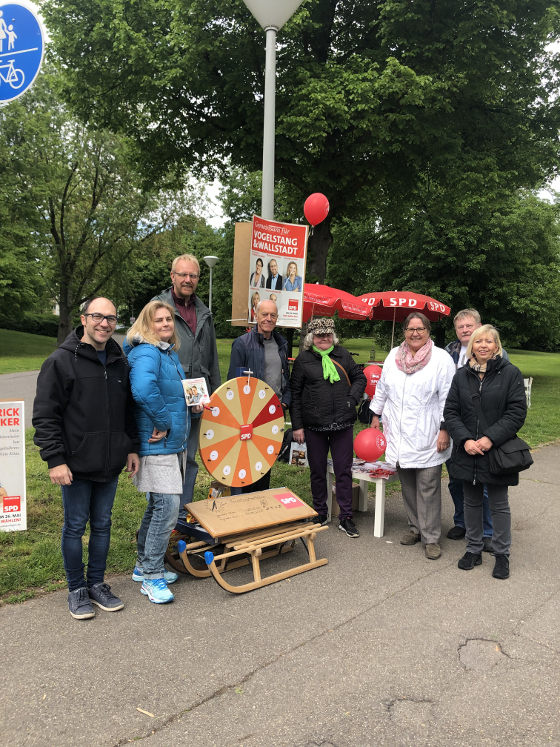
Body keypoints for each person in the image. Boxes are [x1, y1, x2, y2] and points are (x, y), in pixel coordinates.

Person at [32, 297, 140, 620]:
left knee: (103, 525)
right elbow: (45, 415)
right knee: (75, 526)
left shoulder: (120, 361)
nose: (104, 323)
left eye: (110, 318)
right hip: (75, 465)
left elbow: (127, 410)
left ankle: (96, 584)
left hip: (110, 463)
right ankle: (77, 588)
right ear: (84, 319)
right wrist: (54, 459)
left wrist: (131, 446)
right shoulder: (61, 362)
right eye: (97, 316)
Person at [124, 301, 202, 603]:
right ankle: (152, 576)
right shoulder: (147, 351)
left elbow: (173, 395)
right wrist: (164, 423)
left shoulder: (167, 354)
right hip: (156, 444)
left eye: (169, 319)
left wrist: (193, 408)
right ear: (147, 324)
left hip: (169, 443)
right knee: (168, 507)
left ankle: (143, 565)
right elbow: (143, 390)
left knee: (158, 506)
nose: (166, 323)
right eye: (158, 320)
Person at [443, 325, 527, 579]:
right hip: (467, 450)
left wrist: (490, 438)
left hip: (496, 450)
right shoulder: (462, 376)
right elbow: (451, 411)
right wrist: (466, 439)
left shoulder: (510, 374)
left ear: (496, 346)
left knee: (499, 505)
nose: (482, 346)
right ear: (472, 346)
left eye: (488, 342)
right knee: (471, 501)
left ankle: (501, 555)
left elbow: (516, 412)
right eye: (478, 342)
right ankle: (473, 549)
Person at [370, 312, 455, 559]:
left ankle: (431, 538)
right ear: (404, 331)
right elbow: (382, 388)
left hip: (429, 432)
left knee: (428, 485)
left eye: (420, 329)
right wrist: (375, 414)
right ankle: (415, 527)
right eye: (410, 329)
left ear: (428, 331)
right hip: (397, 431)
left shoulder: (441, 359)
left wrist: (444, 429)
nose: (415, 333)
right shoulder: (393, 356)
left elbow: (448, 398)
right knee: (407, 483)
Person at [152, 253, 220, 517]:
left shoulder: (204, 311)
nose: (188, 279)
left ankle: (181, 514)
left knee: (189, 457)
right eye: (183, 274)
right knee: (165, 459)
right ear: (172, 276)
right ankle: (161, 516)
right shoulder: (157, 306)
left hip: (197, 397)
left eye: (193, 275)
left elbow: (212, 357)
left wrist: (216, 394)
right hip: (168, 394)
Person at [291, 318, 366, 537]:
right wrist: (297, 426)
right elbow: (295, 394)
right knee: (317, 471)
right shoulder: (303, 360)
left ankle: (346, 517)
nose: (324, 338)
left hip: (342, 423)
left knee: (344, 471)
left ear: (333, 336)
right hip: (314, 425)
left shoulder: (343, 355)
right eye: (319, 335)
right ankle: (320, 512)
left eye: (328, 335)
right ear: (310, 338)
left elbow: (360, 377)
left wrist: (352, 398)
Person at [444, 309, 510, 548]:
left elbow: (507, 403)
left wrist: (490, 435)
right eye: (460, 327)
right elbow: (448, 399)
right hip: (457, 429)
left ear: (480, 326)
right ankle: (463, 523)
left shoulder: (501, 360)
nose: (465, 331)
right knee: (456, 480)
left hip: (487, 435)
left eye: (469, 326)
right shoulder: (447, 352)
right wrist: (450, 428)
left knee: (484, 485)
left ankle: (488, 532)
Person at [228, 300, 292, 494]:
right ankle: (242, 504)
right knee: (245, 461)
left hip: (273, 413)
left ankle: (259, 502)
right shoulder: (242, 343)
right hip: (248, 413)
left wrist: (285, 402)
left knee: (265, 460)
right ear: (256, 315)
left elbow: (285, 380)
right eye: (264, 314)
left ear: (277, 319)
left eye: (272, 315)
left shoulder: (281, 345)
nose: (268, 319)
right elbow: (234, 381)